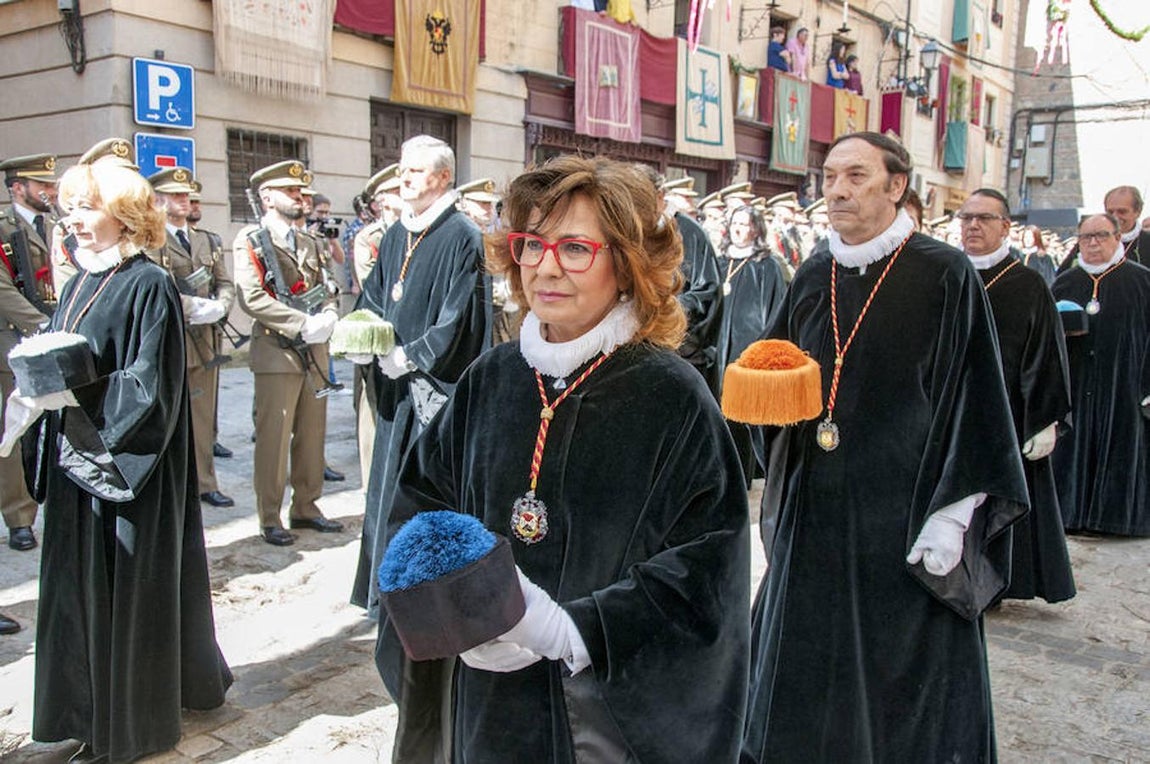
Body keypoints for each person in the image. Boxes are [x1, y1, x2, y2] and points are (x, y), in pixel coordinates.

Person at [375, 155, 750, 762]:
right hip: (487, 697)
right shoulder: (491, 377)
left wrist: (575, 630)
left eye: (575, 248)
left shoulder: (672, 394)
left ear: (626, 267)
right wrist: (454, 614)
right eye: (531, 245)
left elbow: (708, 563)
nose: (546, 267)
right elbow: (420, 503)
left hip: (603, 716)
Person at [742, 132, 1028, 762]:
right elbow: (779, 370)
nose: (836, 190)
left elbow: (975, 398)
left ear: (896, 186)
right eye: (829, 176)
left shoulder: (943, 272)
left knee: (897, 673)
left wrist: (954, 515)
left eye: (855, 176)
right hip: (815, 509)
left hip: (904, 510)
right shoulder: (816, 271)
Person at [1, 152, 231, 762]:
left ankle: (129, 721)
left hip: (129, 469)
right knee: (77, 593)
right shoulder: (78, 279)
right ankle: (81, 708)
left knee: (124, 593)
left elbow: (149, 385)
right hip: (79, 461)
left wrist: (74, 394)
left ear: (125, 213)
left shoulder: (149, 282)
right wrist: (36, 391)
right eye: (68, 207)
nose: (72, 218)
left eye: (86, 207)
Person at [350, 135, 491, 615]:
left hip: (432, 390)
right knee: (386, 484)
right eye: (401, 170)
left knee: (423, 490)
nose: (402, 179)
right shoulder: (396, 233)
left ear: (443, 178)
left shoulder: (463, 236)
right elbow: (373, 297)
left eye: (414, 171)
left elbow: (460, 318)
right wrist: (360, 336)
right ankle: (382, 588)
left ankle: (420, 595)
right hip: (392, 388)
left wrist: (413, 356)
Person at [958, 189, 1075, 603]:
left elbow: (1047, 353)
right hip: (951, 412)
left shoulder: (1027, 283)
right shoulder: (947, 274)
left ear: (1006, 226)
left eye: (984, 218)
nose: (972, 225)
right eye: (966, 217)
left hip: (1008, 413)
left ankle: (997, 582)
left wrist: (1046, 420)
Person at [233, 160, 344, 546]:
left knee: (313, 434)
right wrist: (300, 324)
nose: (299, 198)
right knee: (275, 437)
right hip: (277, 351)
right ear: (267, 197)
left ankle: (307, 506)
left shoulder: (310, 242)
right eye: (290, 191)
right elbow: (251, 297)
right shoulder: (251, 240)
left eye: (301, 193)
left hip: (314, 352)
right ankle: (269, 515)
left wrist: (329, 314)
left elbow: (329, 288)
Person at [1052, 213, 1150, 537]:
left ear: (1117, 237)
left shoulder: (1141, 281)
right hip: (1078, 384)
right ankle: (1072, 515)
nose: (1093, 243)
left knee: (1121, 447)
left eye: (1101, 236)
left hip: (1126, 382)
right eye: (1086, 237)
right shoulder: (1066, 281)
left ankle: (1115, 520)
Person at [147, 167, 236, 509]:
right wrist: (191, 306)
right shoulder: (151, 241)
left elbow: (224, 282)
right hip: (172, 341)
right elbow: (157, 287)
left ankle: (204, 482)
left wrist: (220, 306)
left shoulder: (206, 240)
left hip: (206, 341)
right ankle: (172, 485)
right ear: (158, 200)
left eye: (187, 195)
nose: (185, 200)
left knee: (202, 417)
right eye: (176, 195)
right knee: (168, 417)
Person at [0, 153, 57, 552]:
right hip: (15, 338)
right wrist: (43, 325)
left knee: (55, 423)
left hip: (59, 334)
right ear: (17, 187)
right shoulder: (3, 228)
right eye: (43, 185)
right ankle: (19, 516)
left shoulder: (59, 226)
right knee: (15, 429)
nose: (50, 191)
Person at [717, 203, 786, 479]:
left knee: (744, 414)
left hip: (748, 348)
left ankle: (744, 473)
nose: (738, 229)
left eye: (745, 224)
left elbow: (776, 310)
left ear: (756, 228)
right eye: (735, 223)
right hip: (719, 347)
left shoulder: (766, 265)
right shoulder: (720, 260)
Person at [659, 174, 724, 397]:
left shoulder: (691, 233)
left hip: (681, 346)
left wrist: (669, 309)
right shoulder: (639, 228)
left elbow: (709, 291)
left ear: (659, 197)